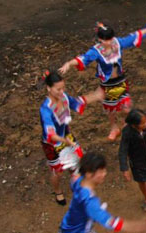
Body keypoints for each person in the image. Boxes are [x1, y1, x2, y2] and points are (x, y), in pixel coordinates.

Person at [59, 22, 146, 141]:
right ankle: (114, 127)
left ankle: (125, 122)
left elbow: (133, 37)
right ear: (100, 39)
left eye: (110, 39)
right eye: (106, 40)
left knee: (126, 108)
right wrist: (69, 63)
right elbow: (83, 58)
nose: (109, 42)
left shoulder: (117, 43)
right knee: (110, 109)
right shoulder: (96, 51)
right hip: (108, 84)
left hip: (120, 81)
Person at [40, 71, 103, 206]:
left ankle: (79, 187)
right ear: (48, 88)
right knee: (57, 172)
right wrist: (65, 141)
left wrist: (96, 96)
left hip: (65, 137)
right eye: (58, 89)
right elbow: (50, 134)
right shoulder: (45, 109)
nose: (62, 91)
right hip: (52, 144)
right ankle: (57, 191)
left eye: (63, 88)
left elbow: (77, 102)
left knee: (77, 162)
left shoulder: (64, 98)